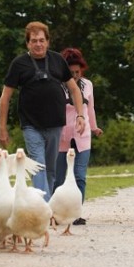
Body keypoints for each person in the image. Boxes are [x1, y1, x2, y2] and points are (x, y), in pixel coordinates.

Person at [0, 21, 85, 201]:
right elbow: (5, 98)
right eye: (34, 41)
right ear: (28, 43)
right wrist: (2, 128)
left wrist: (80, 115)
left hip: (55, 124)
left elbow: (74, 89)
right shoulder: (19, 64)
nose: (38, 44)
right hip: (31, 125)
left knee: (51, 170)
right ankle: (43, 208)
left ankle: (47, 202)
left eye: (41, 40)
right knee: (39, 165)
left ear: (48, 42)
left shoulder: (57, 60)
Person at [53, 48, 103, 225]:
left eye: (77, 72)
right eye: (71, 72)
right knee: (58, 177)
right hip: (62, 135)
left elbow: (90, 109)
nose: (74, 75)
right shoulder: (57, 85)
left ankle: (76, 214)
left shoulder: (87, 85)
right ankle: (56, 213)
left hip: (83, 135)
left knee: (79, 176)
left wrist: (95, 127)